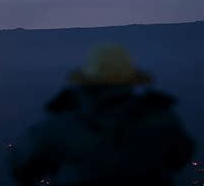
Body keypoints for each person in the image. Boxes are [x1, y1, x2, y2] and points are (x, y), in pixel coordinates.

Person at [10, 45, 194, 186]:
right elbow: (180, 156)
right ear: (131, 81)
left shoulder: (61, 126)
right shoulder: (161, 120)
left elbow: (22, 170)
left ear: (86, 80)